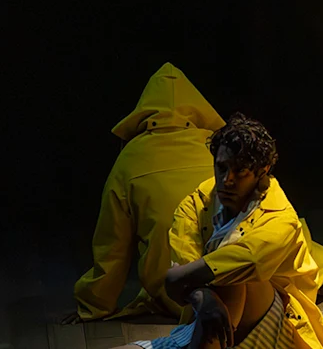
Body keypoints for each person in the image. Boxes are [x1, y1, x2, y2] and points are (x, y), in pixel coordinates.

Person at [122, 113, 323, 349]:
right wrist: (201, 297)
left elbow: (251, 258)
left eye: (240, 172)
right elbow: (184, 255)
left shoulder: (281, 217)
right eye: (221, 168)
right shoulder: (197, 202)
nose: (226, 180)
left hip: (275, 328)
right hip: (211, 317)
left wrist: (182, 278)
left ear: (263, 170)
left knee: (232, 272)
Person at [67, 63, 225, 323]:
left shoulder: (131, 159)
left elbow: (112, 246)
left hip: (175, 291)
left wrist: (93, 306)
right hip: (236, 283)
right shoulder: (218, 148)